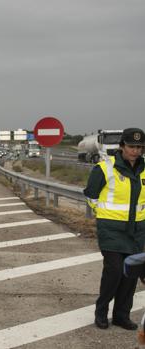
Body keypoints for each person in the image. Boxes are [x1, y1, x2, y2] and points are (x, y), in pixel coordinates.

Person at [84, 127, 145, 331]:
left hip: (137, 232)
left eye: (139, 147)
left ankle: (121, 316)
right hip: (111, 230)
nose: (135, 151)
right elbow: (91, 194)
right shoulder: (104, 168)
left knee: (130, 275)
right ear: (122, 147)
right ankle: (101, 312)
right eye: (131, 146)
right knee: (114, 272)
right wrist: (102, 216)